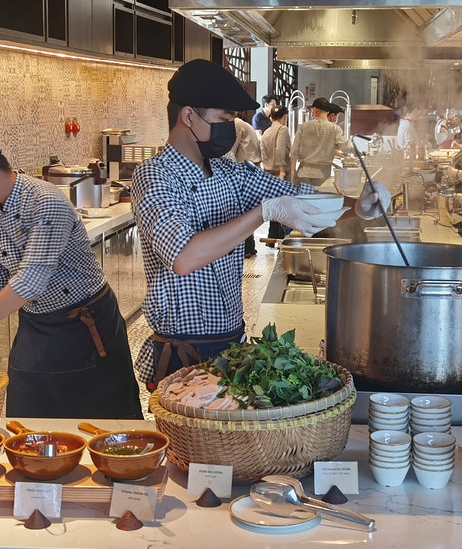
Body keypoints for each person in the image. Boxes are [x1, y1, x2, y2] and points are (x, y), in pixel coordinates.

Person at [131, 60, 389, 389]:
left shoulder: (229, 172)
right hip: (184, 350)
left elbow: (302, 200)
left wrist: (360, 205)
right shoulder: (156, 176)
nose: (232, 127)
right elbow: (184, 257)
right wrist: (262, 213)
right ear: (189, 116)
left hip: (231, 340)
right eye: (224, 119)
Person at [0, 129, 143, 419]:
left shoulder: (44, 201)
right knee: (27, 412)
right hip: (36, 324)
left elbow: (30, 281)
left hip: (85, 323)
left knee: (103, 416)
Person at [291, 97, 346, 186]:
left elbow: (293, 153)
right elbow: (344, 146)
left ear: (316, 110)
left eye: (312, 109)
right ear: (328, 112)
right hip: (322, 175)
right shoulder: (334, 129)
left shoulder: (303, 127)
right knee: (319, 198)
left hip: (303, 173)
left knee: (304, 199)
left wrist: (292, 175)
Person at [231, 114, 263, 256]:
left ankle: (247, 248)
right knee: (246, 211)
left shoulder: (236, 125)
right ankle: (249, 248)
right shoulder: (243, 124)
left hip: (246, 170)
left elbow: (229, 151)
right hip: (251, 169)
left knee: (242, 213)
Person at [259, 105, 292, 239]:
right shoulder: (283, 129)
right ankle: (281, 238)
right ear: (285, 117)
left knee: (273, 206)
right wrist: (282, 171)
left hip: (268, 171)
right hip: (280, 171)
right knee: (284, 207)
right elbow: (280, 150)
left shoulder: (267, 131)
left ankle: (272, 238)